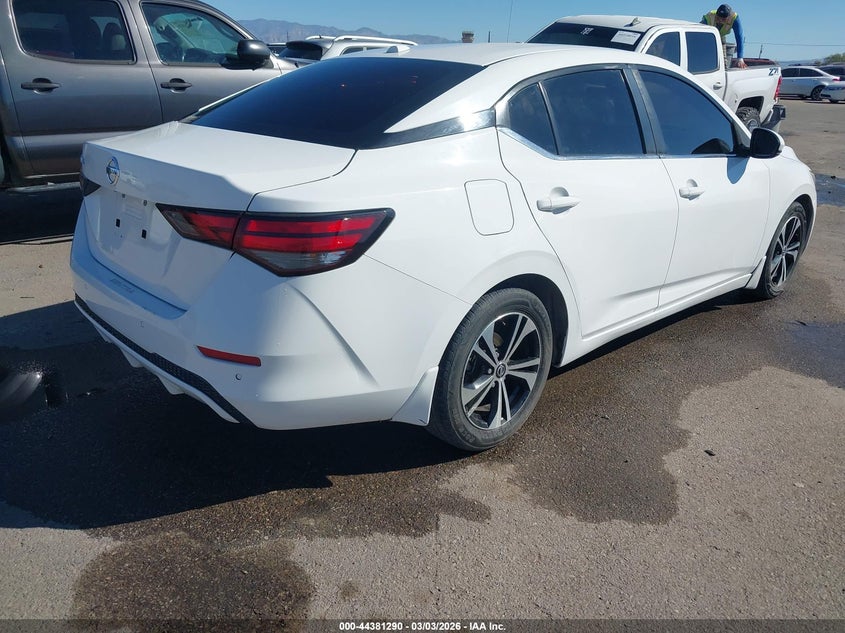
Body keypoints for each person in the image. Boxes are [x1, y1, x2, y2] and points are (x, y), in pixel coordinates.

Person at [701, 4, 748, 68]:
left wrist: (740, 58)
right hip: (707, 38)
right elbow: (698, 33)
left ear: (728, 17)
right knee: (705, 60)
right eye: (718, 18)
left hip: (721, 37)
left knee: (723, 63)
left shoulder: (734, 18)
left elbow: (739, 37)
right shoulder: (709, 17)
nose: (720, 21)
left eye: (723, 19)